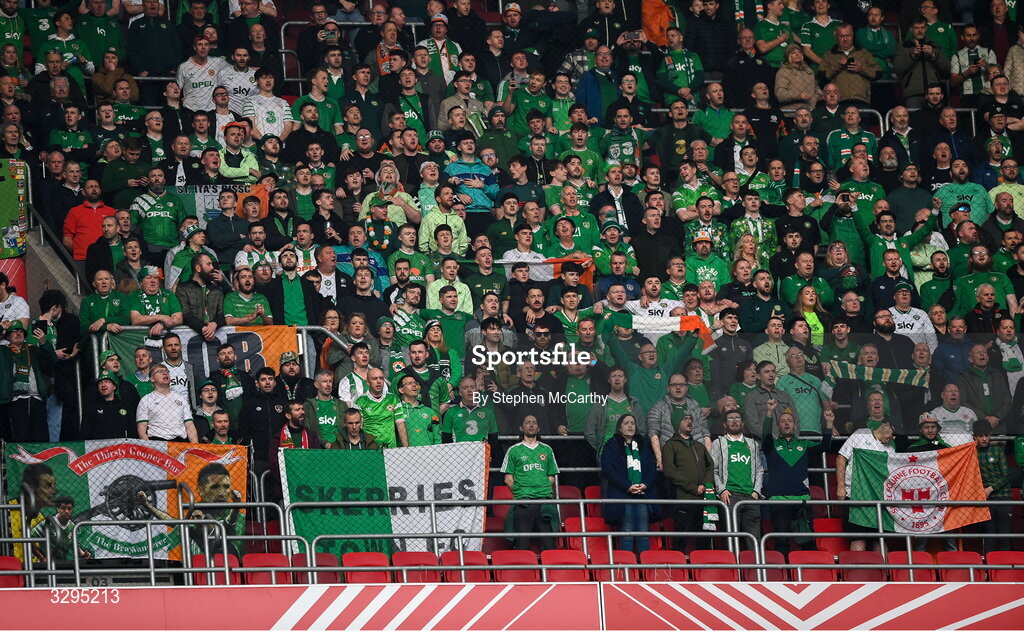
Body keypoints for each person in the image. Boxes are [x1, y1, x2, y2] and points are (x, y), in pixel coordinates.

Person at [763, 410, 834, 555]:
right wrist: (769, 414)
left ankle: (811, 575)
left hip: (802, 500)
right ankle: (783, 576)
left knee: (808, 541)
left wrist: (829, 424)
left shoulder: (804, 444)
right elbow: (765, 435)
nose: (786, 423)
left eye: (789, 420)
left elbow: (825, 445)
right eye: (782, 421)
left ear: (795, 425)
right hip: (778, 500)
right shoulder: (771, 445)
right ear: (778, 426)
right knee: (781, 542)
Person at [600, 413, 658, 554]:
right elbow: (608, 469)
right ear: (619, 428)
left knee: (644, 534)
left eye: (633, 423)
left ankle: (646, 572)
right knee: (627, 533)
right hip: (622, 494)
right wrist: (627, 485)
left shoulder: (643, 445)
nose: (630, 425)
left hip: (642, 494)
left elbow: (652, 467)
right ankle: (627, 572)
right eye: (626, 423)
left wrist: (645, 484)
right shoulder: (612, 445)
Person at [501, 414, 559, 551]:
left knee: (549, 542)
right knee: (522, 541)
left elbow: (552, 476)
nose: (531, 425)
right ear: (521, 427)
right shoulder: (514, 450)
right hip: (524, 501)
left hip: (544, 500)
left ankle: (551, 571)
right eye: (527, 422)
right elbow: (508, 478)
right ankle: (521, 570)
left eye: (534, 423)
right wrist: (522, 492)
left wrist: (542, 489)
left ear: (539, 428)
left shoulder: (547, 449)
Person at [661, 413, 714, 551]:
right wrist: (692, 488)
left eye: (691, 419)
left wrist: (705, 484)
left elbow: (710, 466)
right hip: (683, 498)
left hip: (703, 498)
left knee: (704, 537)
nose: (689, 421)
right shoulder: (670, 445)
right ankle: (678, 568)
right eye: (685, 419)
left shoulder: (699, 445)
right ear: (677, 423)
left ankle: (705, 567)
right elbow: (670, 472)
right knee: (681, 537)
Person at [711, 409, 764, 540]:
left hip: (750, 495)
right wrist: (722, 489)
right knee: (732, 539)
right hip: (730, 496)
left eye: (737, 418)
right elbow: (713, 469)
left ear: (742, 423)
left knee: (754, 539)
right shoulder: (718, 443)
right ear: (724, 424)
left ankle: (754, 561)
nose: (734, 421)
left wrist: (756, 491)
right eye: (730, 418)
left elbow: (759, 469)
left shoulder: (752, 444)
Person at [974, 420, 1012, 553]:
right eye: (980, 435)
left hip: (1003, 497)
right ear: (975, 437)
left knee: (1004, 536)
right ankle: (988, 571)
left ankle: (1006, 570)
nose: (984, 438)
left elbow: (1006, 475)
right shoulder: (971, 453)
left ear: (990, 435)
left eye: (986, 435)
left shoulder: (997, 451)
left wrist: (990, 489)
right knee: (988, 536)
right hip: (986, 499)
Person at [136, 363, 198, 442]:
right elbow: (142, 431)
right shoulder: (146, 400)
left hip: (180, 443)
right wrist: (150, 449)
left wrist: (195, 448)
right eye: (160, 371)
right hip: (157, 442)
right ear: (152, 378)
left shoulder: (181, 399)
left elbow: (190, 426)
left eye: (166, 371)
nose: (165, 373)